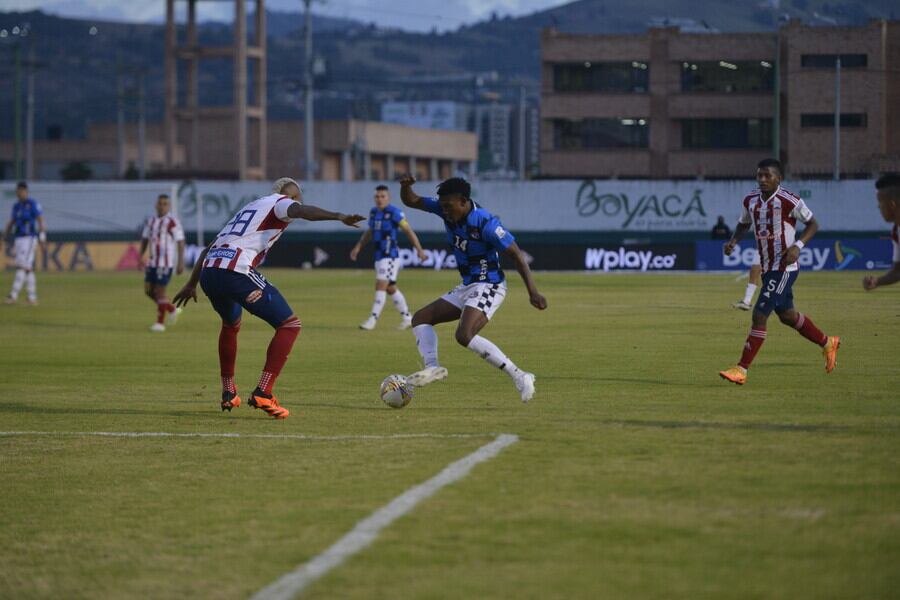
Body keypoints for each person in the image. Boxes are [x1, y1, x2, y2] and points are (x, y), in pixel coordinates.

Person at [173, 178, 364, 419]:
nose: (299, 202)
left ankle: (229, 392)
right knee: (290, 325)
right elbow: (302, 211)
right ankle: (264, 391)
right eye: (298, 196)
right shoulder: (281, 203)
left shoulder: (249, 208)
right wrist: (339, 216)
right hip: (235, 270)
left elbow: (207, 248)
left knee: (230, 325)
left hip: (210, 272)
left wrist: (192, 283)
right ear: (291, 194)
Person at [398, 174, 547, 402]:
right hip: (468, 285)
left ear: (464, 201)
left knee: (464, 335)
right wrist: (405, 186)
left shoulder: (486, 223)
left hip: (490, 285)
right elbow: (412, 201)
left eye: (449, 206)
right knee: (420, 318)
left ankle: (520, 376)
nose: (445, 211)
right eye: (443, 206)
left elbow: (516, 254)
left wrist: (533, 292)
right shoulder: (444, 209)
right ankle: (433, 368)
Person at [719, 159, 839, 385]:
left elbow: (813, 224)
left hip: (784, 267)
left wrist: (797, 246)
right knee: (787, 316)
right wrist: (733, 241)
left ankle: (741, 369)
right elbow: (744, 223)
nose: (762, 180)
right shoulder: (750, 200)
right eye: (759, 176)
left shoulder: (789, 200)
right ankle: (827, 342)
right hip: (767, 267)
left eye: (767, 176)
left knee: (760, 314)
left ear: (779, 178)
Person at [350, 184, 427, 330]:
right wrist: (358, 247)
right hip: (379, 256)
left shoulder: (395, 212)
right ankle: (408, 318)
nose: (379, 199)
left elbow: (408, 231)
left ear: (389, 198)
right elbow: (370, 232)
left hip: (390, 255)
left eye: (382, 196)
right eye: (377, 196)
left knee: (380, 285)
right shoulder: (373, 212)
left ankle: (372, 319)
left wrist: (419, 250)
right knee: (390, 288)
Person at [139, 194, 185, 332]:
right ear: (156, 205)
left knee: (160, 292)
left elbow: (180, 241)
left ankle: (160, 323)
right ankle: (171, 309)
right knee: (148, 291)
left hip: (165, 263)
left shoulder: (172, 222)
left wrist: (180, 262)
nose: (162, 206)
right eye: (160, 203)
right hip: (152, 262)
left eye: (165, 204)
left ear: (169, 206)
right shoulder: (151, 221)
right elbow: (145, 238)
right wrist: (141, 255)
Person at [4, 181, 46, 305]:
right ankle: (32, 298)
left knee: (22, 266)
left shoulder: (33, 204)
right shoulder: (16, 206)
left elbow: (41, 221)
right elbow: (11, 222)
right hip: (18, 239)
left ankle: (13, 295)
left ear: (25, 191)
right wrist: (4, 237)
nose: (18, 193)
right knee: (28, 269)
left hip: (29, 238)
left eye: (20, 191)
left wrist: (42, 238)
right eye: (17, 191)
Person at [862, 173, 900, 290]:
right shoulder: (896, 231)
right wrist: (877, 281)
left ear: (892, 204)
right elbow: (898, 270)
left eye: (880, 203)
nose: (879, 207)